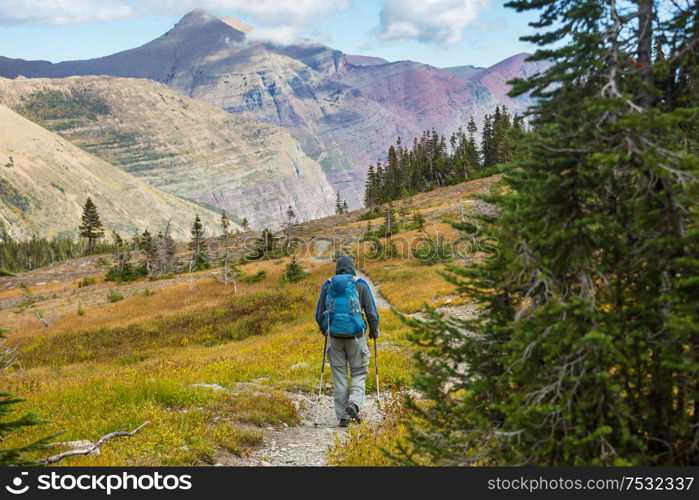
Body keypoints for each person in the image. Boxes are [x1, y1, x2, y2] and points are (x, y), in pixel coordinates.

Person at [315, 255, 379, 427]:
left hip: (334, 338)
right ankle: (354, 403)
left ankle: (343, 417)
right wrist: (374, 331)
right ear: (353, 268)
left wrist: (325, 331)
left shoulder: (328, 285)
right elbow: (372, 313)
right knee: (359, 372)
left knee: (340, 377)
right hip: (356, 338)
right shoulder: (360, 284)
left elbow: (318, 314)